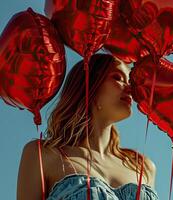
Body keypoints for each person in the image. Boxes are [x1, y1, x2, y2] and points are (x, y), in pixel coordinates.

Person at [16, 54, 159, 200]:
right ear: (90, 85)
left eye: (130, 82)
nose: (130, 89)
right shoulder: (42, 154)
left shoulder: (143, 166)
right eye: (117, 78)